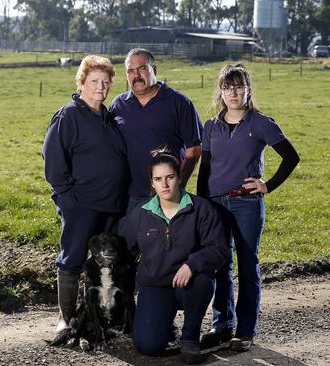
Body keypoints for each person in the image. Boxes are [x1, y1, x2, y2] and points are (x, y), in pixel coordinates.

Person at [197, 64, 300, 351]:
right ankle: (222, 325)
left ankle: (245, 331)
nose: (233, 92)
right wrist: (202, 207)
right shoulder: (211, 126)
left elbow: (291, 157)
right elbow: (204, 170)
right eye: (228, 87)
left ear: (248, 89)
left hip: (247, 204)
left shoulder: (261, 123)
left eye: (238, 86)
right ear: (220, 91)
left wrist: (268, 185)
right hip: (216, 204)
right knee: (220, 265)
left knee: (247, 265)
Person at [42, 55, 129, 340]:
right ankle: (65, 320)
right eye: (94, 81)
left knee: (104, 264)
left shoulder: (109, 117)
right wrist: (69, 201)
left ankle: (98, 318)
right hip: (81, 205)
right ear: (81, 82)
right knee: (72, 259)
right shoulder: (69, 115)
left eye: (105, 82)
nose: (101, 87)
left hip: (112, 205)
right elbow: (53, 162)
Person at [120, 149, 230, 364]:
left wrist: (193, 264)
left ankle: (190, 339)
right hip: (155, 285)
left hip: (188, 284)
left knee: (203, 280)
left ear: (179, 177)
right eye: (158, 179)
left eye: (170, 177)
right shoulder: (141, 214)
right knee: (148, 346)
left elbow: (219, 249)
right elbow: (125, 252)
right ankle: (164, 321)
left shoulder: (201, 209)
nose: (165, 184)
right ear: (152, 183)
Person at [110, 48, 203, 213]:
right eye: (130, 71)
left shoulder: (179, 102)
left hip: (167, 195)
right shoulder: (118, 105)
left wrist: (178, 186)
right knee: (129, 239)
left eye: (142, 68)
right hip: (128, 195)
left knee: (168, 239)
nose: (136, 75)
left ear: (155, 69)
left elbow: (194, 150)